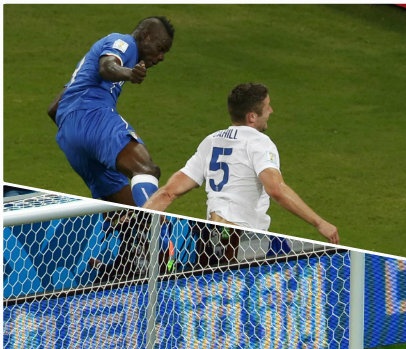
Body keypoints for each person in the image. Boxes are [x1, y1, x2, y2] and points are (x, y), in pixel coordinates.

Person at [142, 82, 340, 255]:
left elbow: (168, 193)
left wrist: (138, 222)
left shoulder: (211, 141)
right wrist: (319, 223)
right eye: (267, 107)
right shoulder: (259, 143)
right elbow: (276, 190)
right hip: (245, 241)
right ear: (252, 117)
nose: (272, 111)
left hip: (210, 241)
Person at [48, 16, 175, 207]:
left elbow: (54, 108)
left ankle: (145, 231)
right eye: (160, 48)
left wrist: (77, 134)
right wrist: (129, 73)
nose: (161, 57)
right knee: (146, 170)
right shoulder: (125, 42)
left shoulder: (82, 75)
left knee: (129, 215)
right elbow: (107, 66)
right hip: (91, 114)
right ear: (146, 35)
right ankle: (155, 228)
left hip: (69, 138)